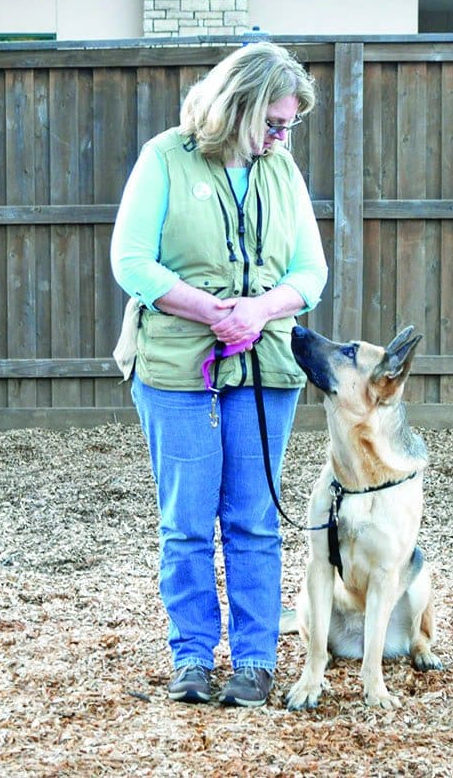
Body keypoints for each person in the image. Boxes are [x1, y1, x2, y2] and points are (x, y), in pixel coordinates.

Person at [110, 42, 328, 708]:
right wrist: (209, 310)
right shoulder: (165, 158)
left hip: (265, 369)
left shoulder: (281, 171)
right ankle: (192, 657)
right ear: (237, 106)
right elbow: (132, 261)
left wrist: (260, 309)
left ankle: (255, 660)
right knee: (185, 520)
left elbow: (308, 274)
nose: (281, 137)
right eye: (273, 123)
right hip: (179, 369)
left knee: (253, 520)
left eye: (288, 125)